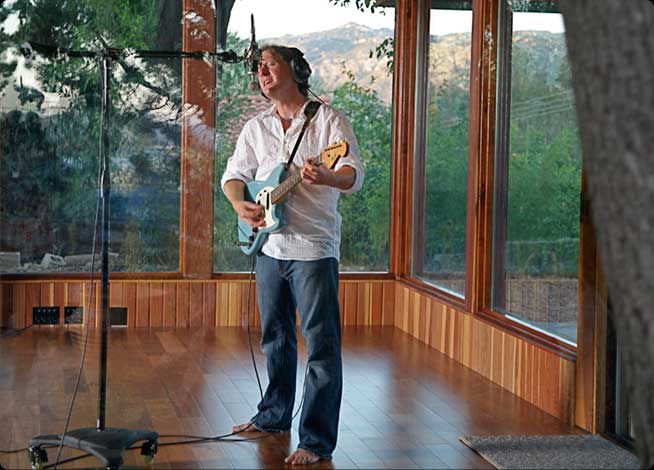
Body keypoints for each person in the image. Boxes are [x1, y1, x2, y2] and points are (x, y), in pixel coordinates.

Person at [220, 44, 364, 465]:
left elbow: (353, 176)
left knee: (321, 345)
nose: (261, 71)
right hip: (268, 246)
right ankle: (273, 417)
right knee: (276, 338)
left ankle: (316, 442)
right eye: (258, 67)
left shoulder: (329, 120)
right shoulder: (256, 127)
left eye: (270, 64)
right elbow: (234, 176)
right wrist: (238, 205)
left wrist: (328, 175)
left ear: (295, 70)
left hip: (314, 249)